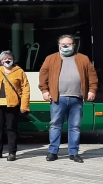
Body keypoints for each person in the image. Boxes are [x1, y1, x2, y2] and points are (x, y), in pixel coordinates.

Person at [40, 35, 98, 163]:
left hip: (76, 98)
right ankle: (53, 152)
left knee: (75, 127)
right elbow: (43, 75)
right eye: (63, 44)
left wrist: (92, 90)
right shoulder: (51, 59)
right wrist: (44, 91)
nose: (66, 46)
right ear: (59, 46)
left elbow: (92, 75)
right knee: (55, 125)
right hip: (57, 98)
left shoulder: (83, 59)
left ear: (74, 45)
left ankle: (74, 153)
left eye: (69, 44)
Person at [0, 51, 31, 161]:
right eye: (4, 58)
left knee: (12, 129)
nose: (7, 60)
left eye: (9, 58)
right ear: (1, 61)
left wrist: (24, 105)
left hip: (13, 105)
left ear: (13, 59)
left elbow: (26, 89)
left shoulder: (19, 71)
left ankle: (12, 153)